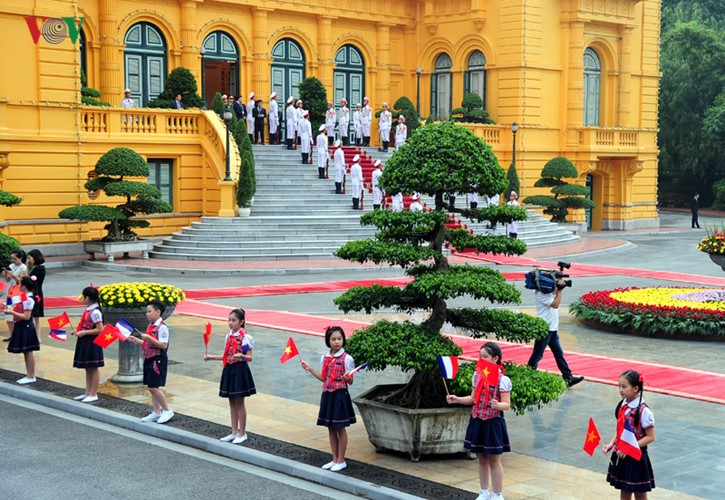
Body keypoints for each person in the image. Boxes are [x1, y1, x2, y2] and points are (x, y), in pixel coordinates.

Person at [447, 342, 511, 500]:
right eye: (480, 356)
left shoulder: (502, 380)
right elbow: (473, 398)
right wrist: (457, 399)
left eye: (485, 357)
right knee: (481, 458)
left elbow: (507, 404)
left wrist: (498, 405)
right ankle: (484, 492)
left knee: (494, 459)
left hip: (493, 422)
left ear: (495, 358)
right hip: (477, 420)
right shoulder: (477, 376)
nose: (481, 360)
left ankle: (497, 494)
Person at [300, 326, 356, 472]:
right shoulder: (324, 357)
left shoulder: (347, 358)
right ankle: (334, 458)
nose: (337, 342)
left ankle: (341, 460)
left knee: (340, 428)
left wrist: (348, 377)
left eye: (339, 339)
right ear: (328, 341)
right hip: (327, 394)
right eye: (333, 339)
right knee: (330, 428)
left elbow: (350, 382)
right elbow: (323, 378)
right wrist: (310, 368)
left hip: (340, 395)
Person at [204, 308, 256, 444]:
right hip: (229, 369)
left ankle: (242, 432)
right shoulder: (228, 336)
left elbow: (250, 358)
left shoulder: (246, 338)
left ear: (241, 322)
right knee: (231, 402)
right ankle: (234, 431)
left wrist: (242, 356)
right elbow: (226, 356)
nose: (230, 323)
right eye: (229, 320)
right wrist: (211, 357)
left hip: (240, 370)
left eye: (234, 320)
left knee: (239, 402)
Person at [603, 370, 656, 498]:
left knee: (640, 493)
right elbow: (620, 429)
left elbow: (650, 437)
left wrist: (629, 447)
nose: (620, 390)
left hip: (636, 458)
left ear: (636, 388)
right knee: (625, 491)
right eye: (619, 386)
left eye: (624, 386)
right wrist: (612, 443)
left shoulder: (643, 411)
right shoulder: (623, 404)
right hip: (623, 456)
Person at [527, 278, 584, 387]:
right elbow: (555, 304)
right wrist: (561, 290)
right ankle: (528, 376)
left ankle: (568, 378)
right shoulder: (541, 294)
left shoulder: (547, 292)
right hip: (544, 329)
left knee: (559, 354)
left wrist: (560, 285)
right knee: (537, 355)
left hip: (552, 329)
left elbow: (555, 294)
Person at [128, 299, 174, 424]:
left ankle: (167, 410)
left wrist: (148, 337)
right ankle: (156, 411)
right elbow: (149, 344)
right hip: (149, 358)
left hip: (157, 360)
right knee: (151, 386)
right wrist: (137, 341)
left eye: (149, 311)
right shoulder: (151, 326)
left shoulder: (162, 328)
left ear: (158, 312)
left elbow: (163, 345)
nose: (147, 314)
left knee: (154, 387)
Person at [72, 286, 104, 402]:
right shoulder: (89, 310)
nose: (82, 299)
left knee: (93, 368)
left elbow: (100, 329)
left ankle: (93, 393)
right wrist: (78, 331)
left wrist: (84, 332)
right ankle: (88, 392)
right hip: (86, 340)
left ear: (88, 298)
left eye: (83, 297)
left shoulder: (95, 312)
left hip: (92, 342)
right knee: (87, 367)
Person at [5, 277, 38, 385]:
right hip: (22, 325)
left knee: (28, 351)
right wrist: (8, 308)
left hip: (26, 326)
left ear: (24, 286)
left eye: (19, 284)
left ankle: (31, 375)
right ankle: (29, 375)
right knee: (26, 351)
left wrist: (11, 313)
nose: (18, 286)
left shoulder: (28, 299)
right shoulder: (23, 297)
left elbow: (26, 316)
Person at [3, 249, 28, 341]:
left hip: (19, 291)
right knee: (8, 311)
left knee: (17, 312)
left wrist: (12, 275)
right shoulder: (11, 266)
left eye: (15, 259)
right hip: (11, 290)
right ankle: (12, 335)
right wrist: (6, 275)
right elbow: (7, 280)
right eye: (12, 259)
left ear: (21, 258)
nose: (13, 261)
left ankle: (19, 335)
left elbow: (22, 281)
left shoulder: (23, 267)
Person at [27, 249, 46, 342]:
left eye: (29, 258)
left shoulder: (39, 269)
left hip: (36, 294)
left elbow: (27, 279)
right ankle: (35, 336)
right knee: (33, 316)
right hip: (34, 293)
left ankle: (38, 337)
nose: (28, 260)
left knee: (36, 317)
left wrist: (27, 268)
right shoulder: (36, 268)